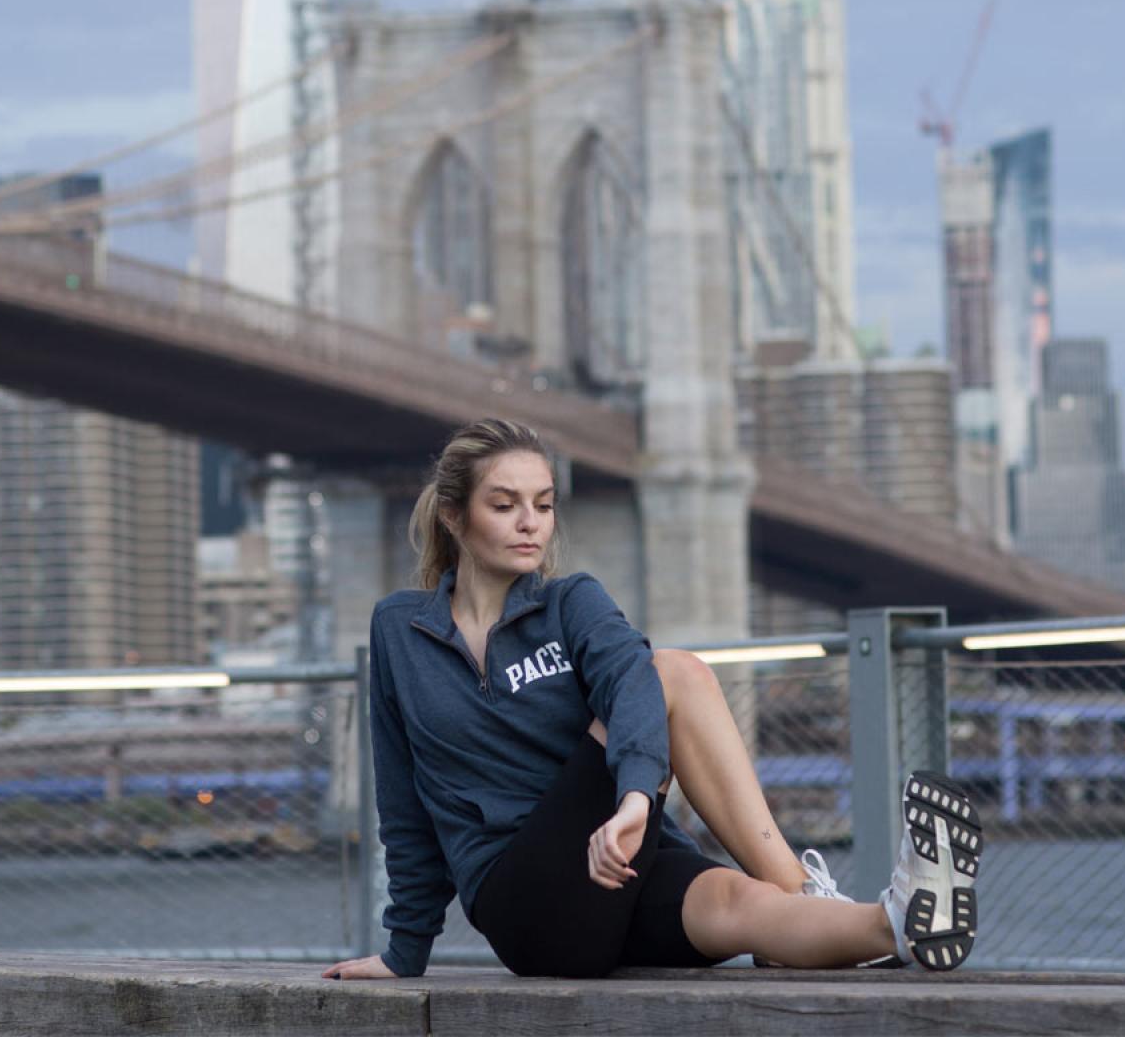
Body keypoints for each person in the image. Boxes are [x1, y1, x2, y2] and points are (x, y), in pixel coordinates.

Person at [323, 417, 982, 981]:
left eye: (544, 505)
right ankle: (808, 889)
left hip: (621, 850)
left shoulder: (571, 602)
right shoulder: (401, 630)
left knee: (734, 901)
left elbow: (627, 678)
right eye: (505, 505)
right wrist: (405, 950)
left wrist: (635, 802)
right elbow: (403, 798)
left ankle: (893, 922)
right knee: (675, 672)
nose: (531, 524)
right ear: (452, 514)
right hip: (524, 898)